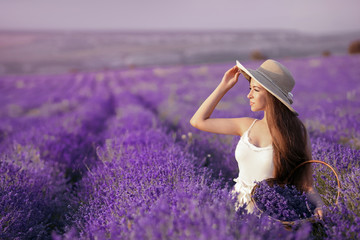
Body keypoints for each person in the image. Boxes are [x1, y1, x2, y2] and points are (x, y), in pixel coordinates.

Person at [190, 59, 324, 218]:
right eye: (250, 88)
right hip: (235, 210)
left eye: (255, 90)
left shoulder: (296, 132)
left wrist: (320, 206)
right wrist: (224, 86)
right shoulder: (246, 125)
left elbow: (306, 184)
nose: (249, 95)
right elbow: (198, 121)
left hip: (270, 216)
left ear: (272, 95)